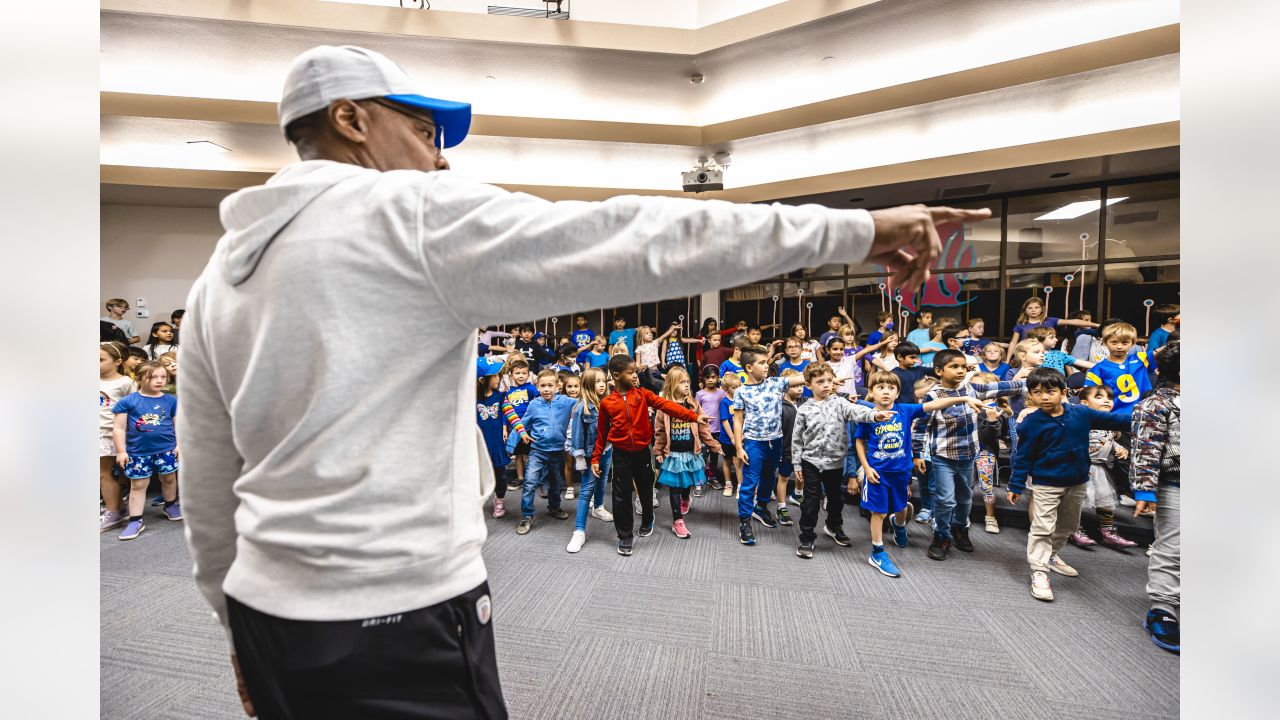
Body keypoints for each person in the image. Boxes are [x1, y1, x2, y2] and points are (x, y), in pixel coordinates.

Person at [177, 44, 986, 718]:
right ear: (351, 120)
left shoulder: (219, 277)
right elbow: (638, 237)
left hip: (268, 612)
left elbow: (208, 479)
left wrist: (232, 624)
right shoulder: (408, 216)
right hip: (394, 610)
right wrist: (860, 229)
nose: (440, 155)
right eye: (422, 130)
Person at [1006, 368, 1133, 602]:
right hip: (1046, 483)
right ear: (1031, 395)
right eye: (1037, 392)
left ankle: (1051, 556)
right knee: (1043, 526)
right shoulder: (1031, 423)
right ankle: (1039, 571)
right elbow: (1022, 456)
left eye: (1050, 391)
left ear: (1063, 392)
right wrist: (1015, 485)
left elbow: (1119, 420)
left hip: (1077, 482)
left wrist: (1149, 418)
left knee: (1068, 526)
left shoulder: (1081, 413)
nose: (1043, 397)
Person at [851, 371, 986, 575]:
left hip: (901, 472)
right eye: (880, 388)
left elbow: (933, 405)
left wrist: (965, 398)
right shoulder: (868, 416)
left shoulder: (905, 409)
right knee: (878, 512)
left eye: (891, 388)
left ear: (897, 393)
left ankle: (898, 525)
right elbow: (859, 441)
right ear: (871, 392)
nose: (886, 392)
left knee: (901, 507)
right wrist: (867, 468)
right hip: (877, 473)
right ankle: (877, 552)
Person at [916, 350, 1027, 561]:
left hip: (968, 456)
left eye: (962, 367)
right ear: (939, 371)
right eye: (954, 367)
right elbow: (922, 426)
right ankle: (941, 536)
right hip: (943, 457)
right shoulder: (934, 395)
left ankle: (960, 530)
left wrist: (1032, 382)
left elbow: (1002, 386)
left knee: (965, 500)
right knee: (946, 500)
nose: (960, 371)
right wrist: (916, 453)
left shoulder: (972, 389)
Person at [592, 355, 705, 556]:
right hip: (621, 455)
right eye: (631, 372)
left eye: (635, 371)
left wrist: (694, 416)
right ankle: (625, 536)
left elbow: (667, 405)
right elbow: (601, 433)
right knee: (621, 496)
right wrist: (595, 457)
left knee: (645, 490)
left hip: (643, 453)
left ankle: (647, 518)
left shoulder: (643, 394)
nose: (635, 375)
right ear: (617, 376)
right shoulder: (607, 403)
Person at [791, 365, 887, 559]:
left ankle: (834, 526)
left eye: (829, 380)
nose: (826, 385)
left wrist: (874, 415)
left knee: (835, 499)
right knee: (810, 502)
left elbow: (856, 411)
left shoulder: (839, 403)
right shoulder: (804, 409)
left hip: (835, 463)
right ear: (808, 385)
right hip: (810, 462)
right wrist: (796, 463)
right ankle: (807, 537)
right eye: (820, 382)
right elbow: (797, 438)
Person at [730, 346, 810, 545]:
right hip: (753, 442)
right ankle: (745, 522)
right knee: (750, 482)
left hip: (776, 441)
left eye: (767, 362)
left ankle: (761, 507)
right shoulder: (741, 391)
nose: (767, 366)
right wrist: (739, 447)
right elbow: (738, 421)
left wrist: (826, 376)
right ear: (749, 367)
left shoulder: (775, 383)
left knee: (768, 477)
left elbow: (802, 378)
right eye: (762, 363)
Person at [1130, 341, 1180, 653]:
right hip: (1175, 482)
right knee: (1172, 547)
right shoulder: (1157, 405)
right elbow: (1145, 450)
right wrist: (1145, 490)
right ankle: (1163, 609)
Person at [112, 360, 181, 541]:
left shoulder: (170, 400)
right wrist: (121, 451)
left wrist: (179, 444)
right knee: (139, 484)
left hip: (166, 449)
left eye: (163, 377)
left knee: (169, 478)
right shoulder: (128, 401)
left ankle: (170, 504)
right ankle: (135, 520)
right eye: (153, 377)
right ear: (141, 378)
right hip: (138, 452)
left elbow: (178, 424)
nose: (159, 381)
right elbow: (119, 428)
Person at [652, 367, 723, 538]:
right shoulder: (664, 407)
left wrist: (713, 444)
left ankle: (686, 498)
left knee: (687, 483)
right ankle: (678, 521)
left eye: (687, 382)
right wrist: (658, 450)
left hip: (691, 453)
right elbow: (660, 431)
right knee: (675, 487)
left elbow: (703, 427)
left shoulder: (693, 404)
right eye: (682, 382)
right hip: (673, 454)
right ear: (672, 384)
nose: (686, 385)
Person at [1068, 385, 1139, 549]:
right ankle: (1074, 529)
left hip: (1100, 469)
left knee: (1106, 501)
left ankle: (1108, 532)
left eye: (1109, 398)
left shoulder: (1110, 423)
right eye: (1099, 397)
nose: (1106, 400)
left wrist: (1118, 447)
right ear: (1085, 403)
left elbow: (1107, 439)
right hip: (1080, 467)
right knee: (1076, 501)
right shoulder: (1081, 419)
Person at [514, 370, 575, 535]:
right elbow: (523, 423)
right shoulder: (534, 405)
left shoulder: (566, 401)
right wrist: (514, 441)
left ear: (557, 386)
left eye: (550, 385)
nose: (546, 389)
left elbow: (584, 402)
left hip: (557, 452)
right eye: (543, 386)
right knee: (530, 482)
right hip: (538, 451)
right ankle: (527, 515)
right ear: (537, 386)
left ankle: (554, 507)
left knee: (556, 483)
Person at [565, 368, 615, 553]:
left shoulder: (608, 403)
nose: (602, 385)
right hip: (589, 455)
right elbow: (577, 436)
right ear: (587, 384)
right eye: (597, 381)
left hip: (606, 451)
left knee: (603, 482)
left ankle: (599, 507)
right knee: (586, 490)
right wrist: (580, 459)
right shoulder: (581, 408)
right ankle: (579, 531)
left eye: (603, 381)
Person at [99, 342, 135, 532]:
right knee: (104, 473)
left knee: (105, 473)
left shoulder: (125, 382)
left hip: (111, 434)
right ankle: (116, 507)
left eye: (100, 360)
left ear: (117, 361)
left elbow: (135, 406)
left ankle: (114, 511)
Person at [1005, 296, 1098, 363]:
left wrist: (1096, 325)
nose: (1033, 310)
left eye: (1036, 307)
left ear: (1042, 309)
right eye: (1030, 308)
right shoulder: (1021, 325)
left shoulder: (1050, 321)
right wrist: (1008, 360)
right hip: (1027, 356)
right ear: (1025, 310)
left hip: (1047, 357)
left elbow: (1074, 321)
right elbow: (1013, 343)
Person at [1084, 322, 1152, 413]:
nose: (1119, 347)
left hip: (1144, 413)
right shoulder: (1097, 369)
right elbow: (1088, 396)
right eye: (1114, 342)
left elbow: (1167, 351)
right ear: (1104, 342)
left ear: (1133, 343)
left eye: (1125, 343)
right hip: (1114, 417)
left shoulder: (1141, 358)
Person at [476, 357, 512, 519]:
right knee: (476, 477)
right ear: (483, 380)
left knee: (500, 476)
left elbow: (512, 415)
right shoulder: (471, 399)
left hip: (496, 445)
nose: (498, 378)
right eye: (495, 375)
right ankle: (475, 503)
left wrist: (522, 431)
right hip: (477, 446)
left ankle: (499, 501)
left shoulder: (500, 396)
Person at [502, 358, 538, 491]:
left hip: (528, 427)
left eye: (524, 373)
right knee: (518, 455)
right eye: (517, 373)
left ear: (528, 375)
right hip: (514, 429)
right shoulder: (508, 392)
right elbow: (505, 412)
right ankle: (521, 478)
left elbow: (540, 397)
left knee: (528, 454)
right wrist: (504, 428)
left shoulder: (531, 388)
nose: (521, 376)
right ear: (511, 375)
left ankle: (531, 478)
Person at [717, 372, 743, 497]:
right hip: (727, 439)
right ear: (726, 389)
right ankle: (728, 484)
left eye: (739, 386)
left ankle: (740, 487)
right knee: (727, 461)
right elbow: (725, 421)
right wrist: (732, 437)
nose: (737, 389)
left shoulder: (743, 400)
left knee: (738, 462)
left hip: (740, 438)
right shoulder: (724, 402)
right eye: (734, 387)